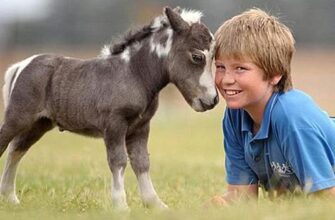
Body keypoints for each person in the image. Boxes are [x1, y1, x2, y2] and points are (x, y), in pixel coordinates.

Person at [212, 8, 335, 205]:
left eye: (240, 68)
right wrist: (222, 206)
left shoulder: (292, 117)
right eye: (220, 67)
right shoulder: (235, 116)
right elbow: (243, 198)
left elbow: (327, 202)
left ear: (274, 73)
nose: (226, 79)